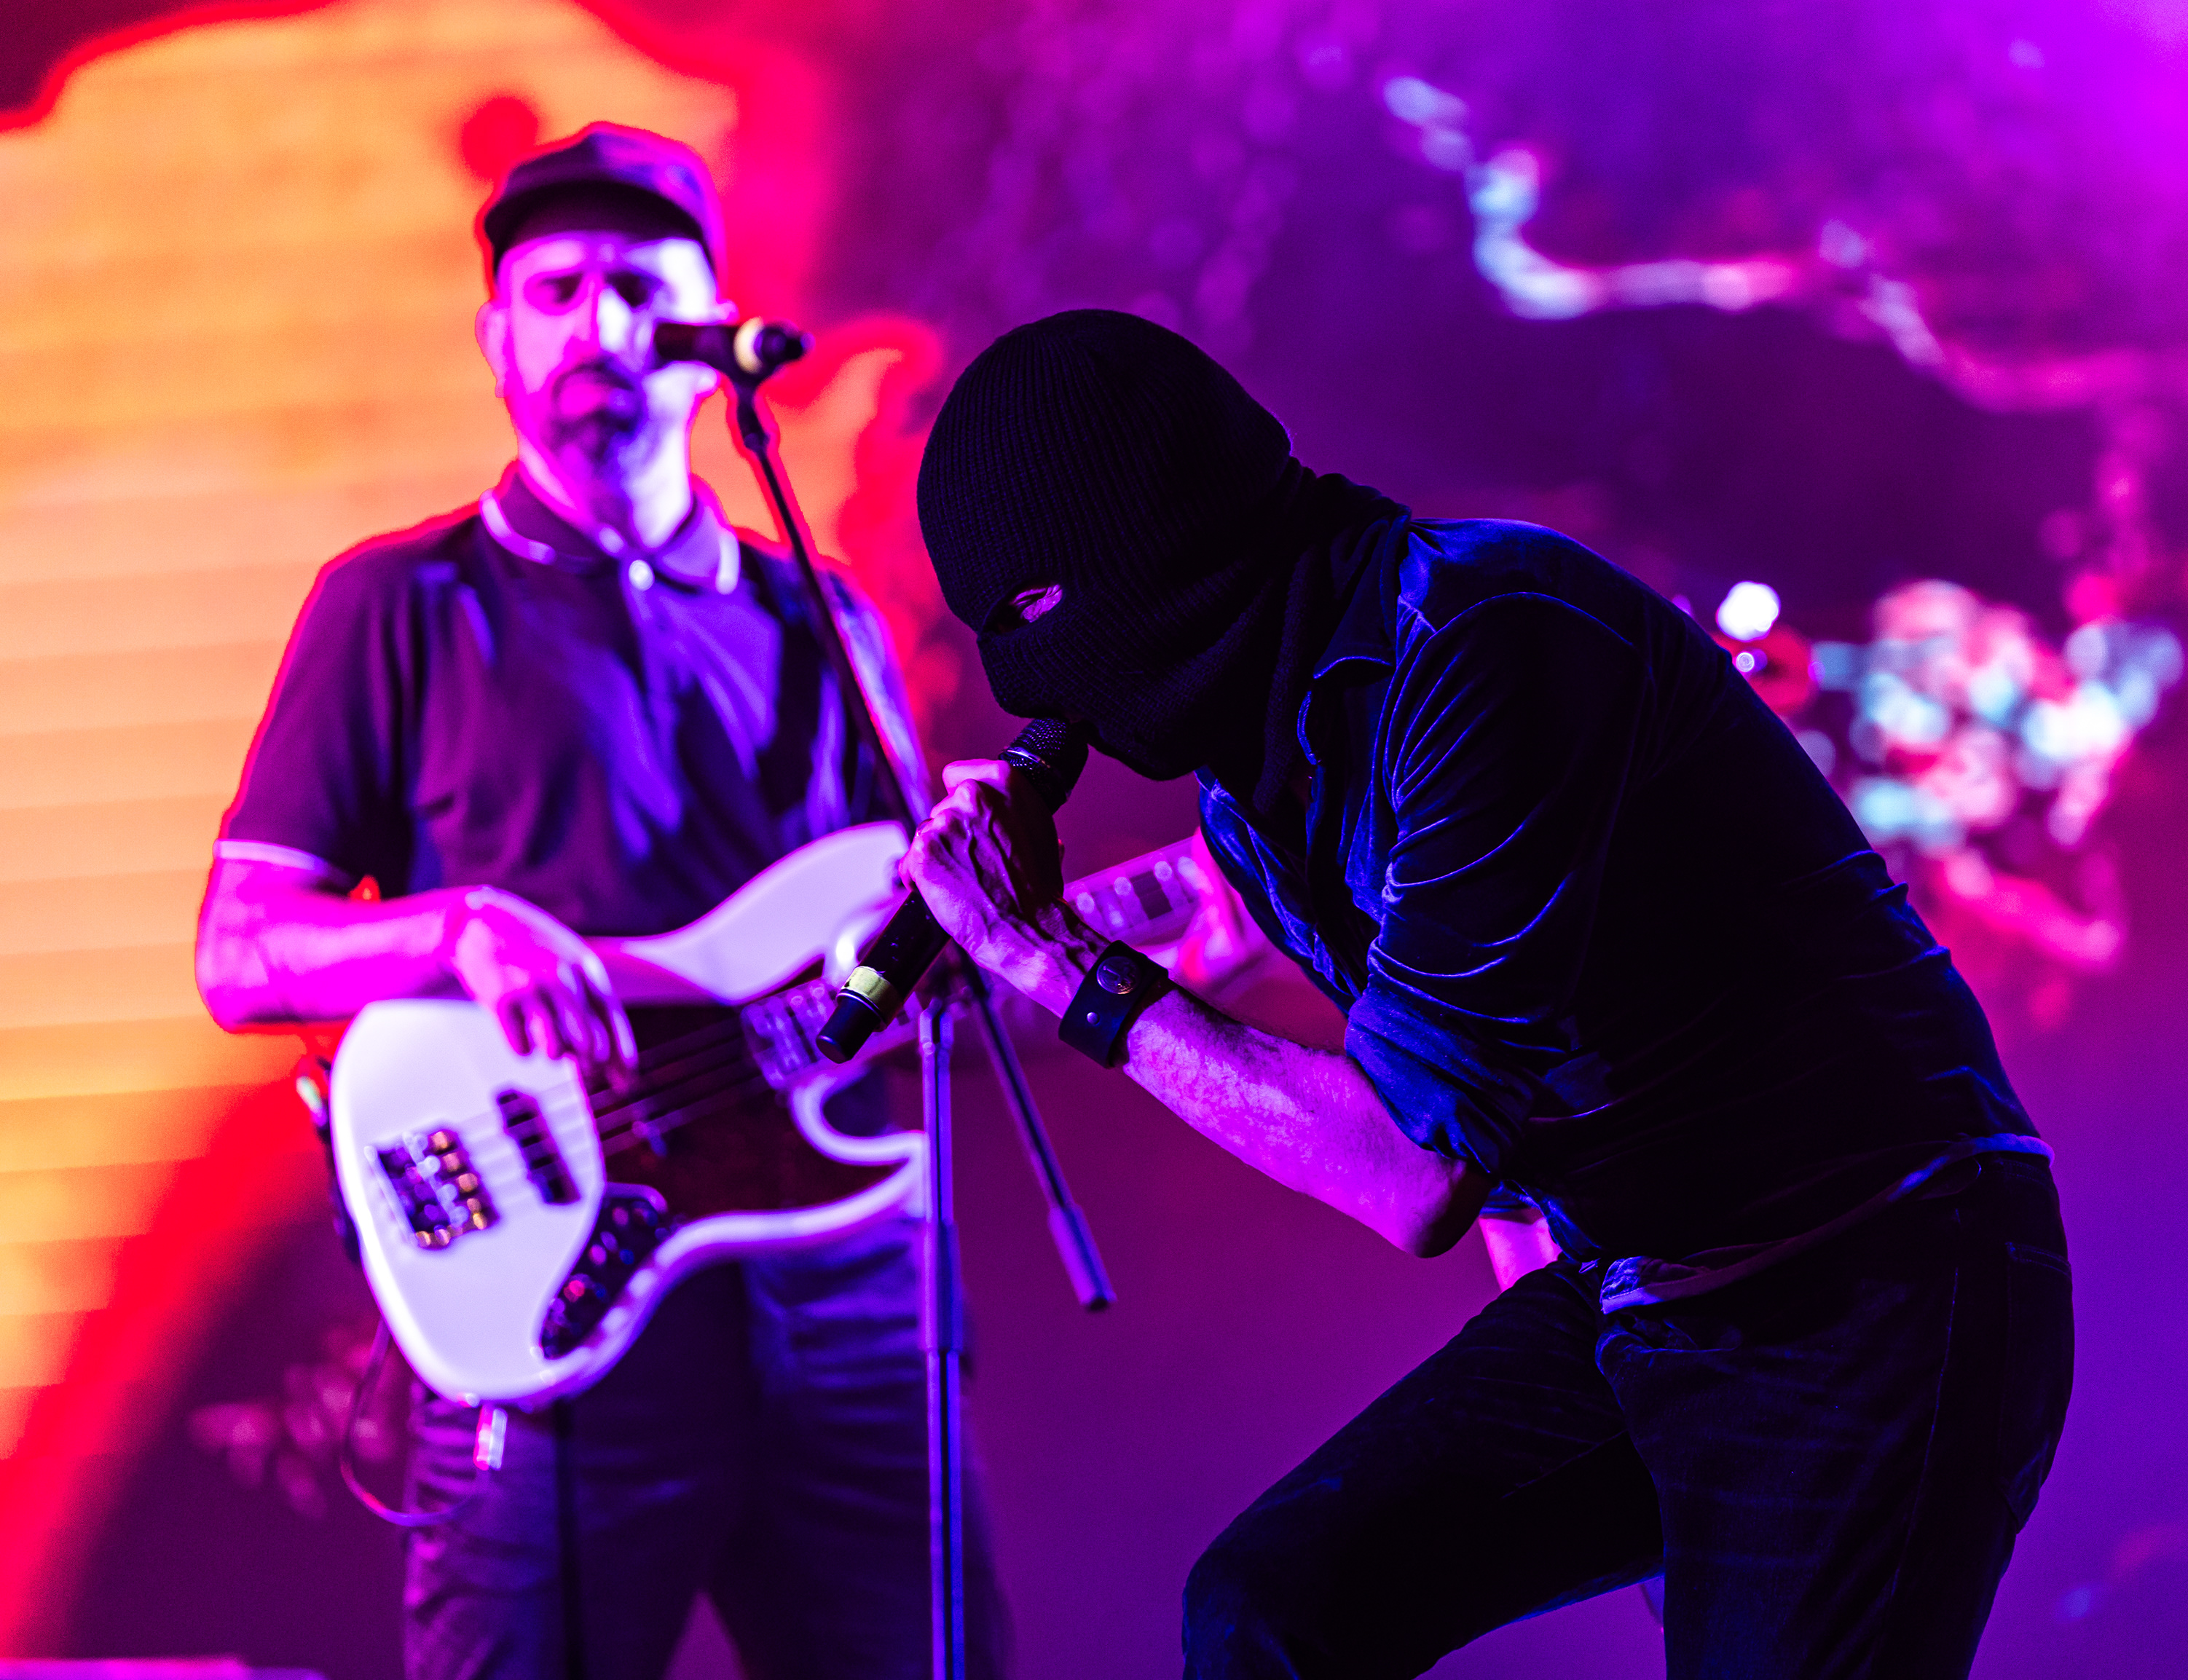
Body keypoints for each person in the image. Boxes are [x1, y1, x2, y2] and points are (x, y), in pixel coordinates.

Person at [899, 309, 2071, 1679]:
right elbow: (1497, 1162)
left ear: (1151, 534)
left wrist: (1057, 964)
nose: (1025, 680)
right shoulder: (1255, 785)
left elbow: (1411, 1176)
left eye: (1035, 611)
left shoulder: (1483, 638)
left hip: (1875, 1275)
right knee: (1268, 1612)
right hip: (1648, 1291)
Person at [193, 124, 1005, 1680]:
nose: (598, 325)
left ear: (713, 335)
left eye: (640, 288)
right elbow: (240, 953)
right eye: (554, 291)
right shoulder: (399, 603)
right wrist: (452, 928)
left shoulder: (821, 616)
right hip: (559, 1304)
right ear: (496, 339)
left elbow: (915, 958)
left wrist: (1095, 941)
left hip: (847, 1301)